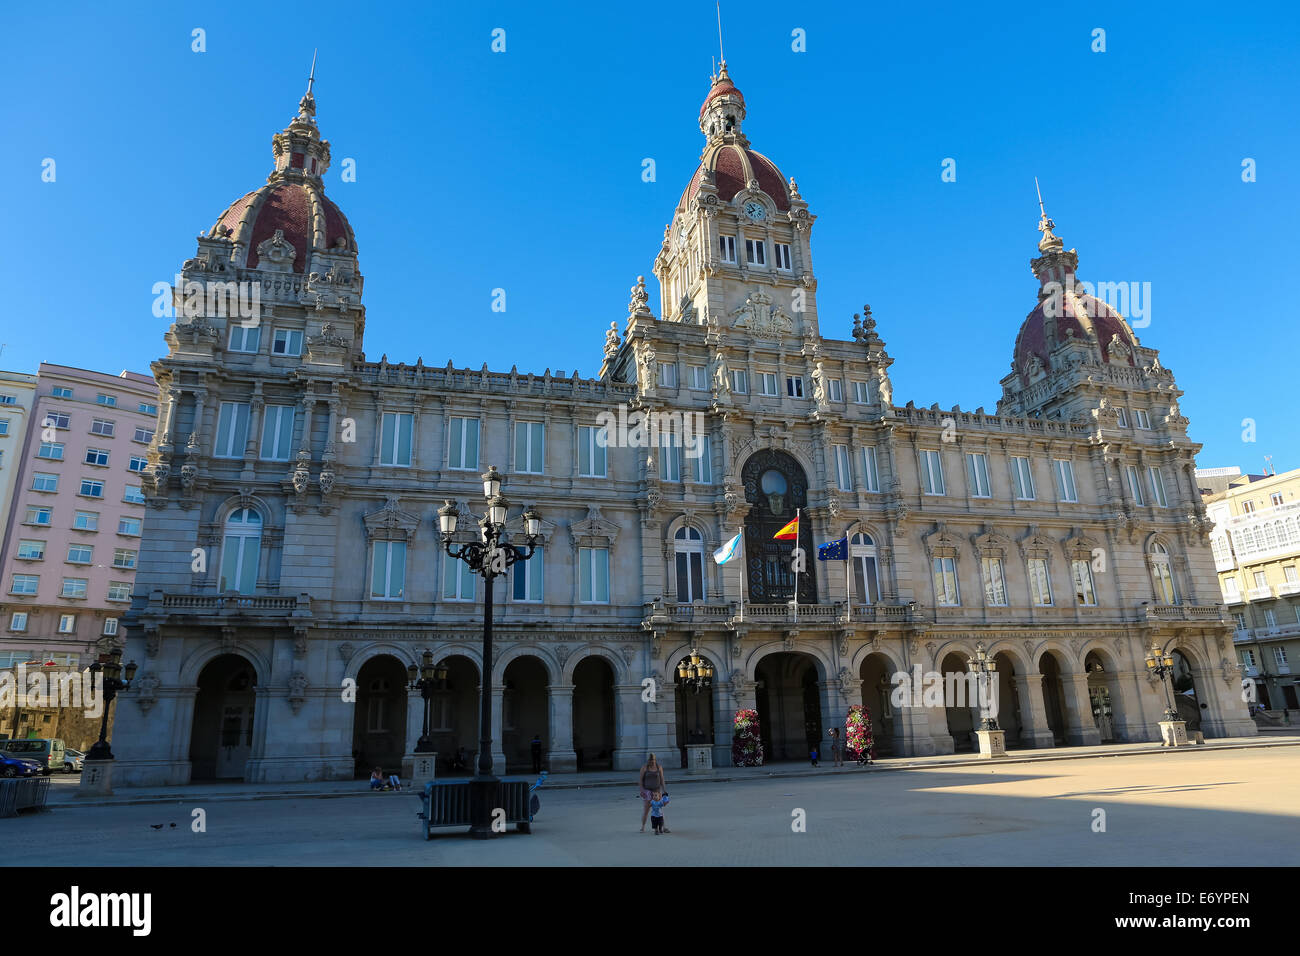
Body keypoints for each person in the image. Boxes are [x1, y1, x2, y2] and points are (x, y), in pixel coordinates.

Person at [638, 753, 667, 832]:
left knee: (660, 810)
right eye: (650, 761)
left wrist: (664, 790)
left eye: (653, 761)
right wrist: (641, 790)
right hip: (647, 791)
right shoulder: (644, 768)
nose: (652, 763)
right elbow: (640, 780)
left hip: (657, 791)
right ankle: (643, 827)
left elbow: (662, 779)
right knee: (646, 810)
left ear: (655, 760)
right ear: (648, 761)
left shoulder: (659, 767)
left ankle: (663, 827)